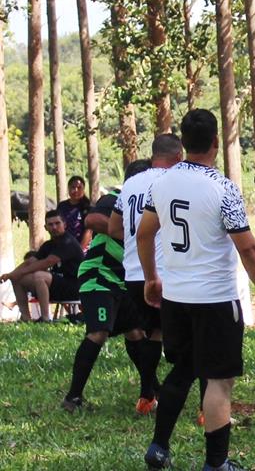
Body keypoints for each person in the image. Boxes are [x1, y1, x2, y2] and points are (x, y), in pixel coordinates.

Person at [138, 109, 255, 471]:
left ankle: (158, 448)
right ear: (216, 143)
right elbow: (248, 248)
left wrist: (150, 277)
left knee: (181, 370)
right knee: (219, 379)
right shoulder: (223, 188)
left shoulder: (161, 182)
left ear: (183, 143)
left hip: (175, 297)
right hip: (215, 299)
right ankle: (217, 464)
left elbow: (144, 232)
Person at [62, 159, 160, 414]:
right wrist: (133, 235)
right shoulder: (118, 196)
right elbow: (93, 219)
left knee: (136, 332)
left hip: (122, 281)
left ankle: (150, 393)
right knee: (98, 333)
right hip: (99, 277)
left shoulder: (150, 203)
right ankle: (73, 398)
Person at [109, 134, 185, 420]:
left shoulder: (131, 183)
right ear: (179, 156)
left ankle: (146, 395)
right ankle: (204, 407)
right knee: (188, 339)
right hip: (165, 273)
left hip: (133, 273)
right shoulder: (172, 182)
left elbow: (114, 227)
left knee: (154, 333)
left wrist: (135, 241)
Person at [3, 210, 83, 321]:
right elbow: (30, 261)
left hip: (74, 286)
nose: (54, 227)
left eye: (57, 223)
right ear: (45, 227)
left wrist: (21, 272)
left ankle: (45, 318)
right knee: (17, 278)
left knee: (40, 275)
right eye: (50, 224)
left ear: (64, 224)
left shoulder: (68, 242)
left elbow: (48, 262)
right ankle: (25, 318)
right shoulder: (47, 245)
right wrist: (11, 274)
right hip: (56, 286)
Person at [57, 175, 92, 251]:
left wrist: (80, 250)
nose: (76, 190)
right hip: (63, 246)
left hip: (82, 248)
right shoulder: (62, 206)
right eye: (73, 187)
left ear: (83, 189)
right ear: (68, 189)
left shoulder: (87, 208)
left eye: (79, 188)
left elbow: (88, 231)